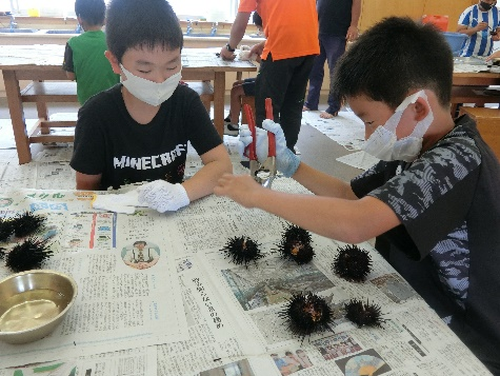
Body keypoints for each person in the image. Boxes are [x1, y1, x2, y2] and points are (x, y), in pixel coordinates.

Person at [215, 17, 500, 374]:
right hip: (415, 295)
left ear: (418, 108)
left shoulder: (457, 158)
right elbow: (351, 196)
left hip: (471, 338)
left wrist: (258, 196)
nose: (367, 136)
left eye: (368, 119)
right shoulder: (412, 147)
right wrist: (290, 165)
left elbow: (357, 223)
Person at [70, 0, 232, 213]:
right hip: (118, 214)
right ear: (114, 62)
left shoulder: (185, 102)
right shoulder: (96, 114)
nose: (159, 80)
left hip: (168, 213)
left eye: (171, 66)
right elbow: (86, 191)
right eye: (145, 70)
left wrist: (181, 194)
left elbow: (222, 165)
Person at [219, 0, 319, 150]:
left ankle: (265, 158)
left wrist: (229, 48)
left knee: (267, 109)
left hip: (281, 49)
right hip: (309, 46)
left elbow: (241, 23)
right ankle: (287, 153)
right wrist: (267, 42)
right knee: (292, 105)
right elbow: (293, 18)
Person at [303, 0, 361, 119]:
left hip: (337, 32)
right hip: (318, 31)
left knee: (335, 71)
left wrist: (354, 25)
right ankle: (311, 103)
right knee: (314, 70)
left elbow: (356, 3)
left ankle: (333, 107)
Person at [62, 0, 120, 105]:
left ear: (79, 19)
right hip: (114, 101)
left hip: (87, 103)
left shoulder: (72, 43)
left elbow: (70, 75)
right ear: (104, 19)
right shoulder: (114, 41)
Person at [224, 11, 263, 136]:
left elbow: (269, 65)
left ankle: (233, 126)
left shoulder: (275, 40)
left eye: (259, 28)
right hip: (264, 79)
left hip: (269, 83)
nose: (260, 31)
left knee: (236, 91)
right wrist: (253, 52)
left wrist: (253, 58)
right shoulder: (271, 39)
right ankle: (231, 118)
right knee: (237, 84)